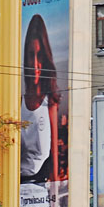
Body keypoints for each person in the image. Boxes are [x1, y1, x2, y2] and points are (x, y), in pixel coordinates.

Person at [20, 14, 62, 186]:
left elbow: (54, 156)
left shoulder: (49, 101)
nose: (35, 64)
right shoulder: (17, 101)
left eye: (40, 55)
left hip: (40, 183)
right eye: (31, 55)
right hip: (17, 184)